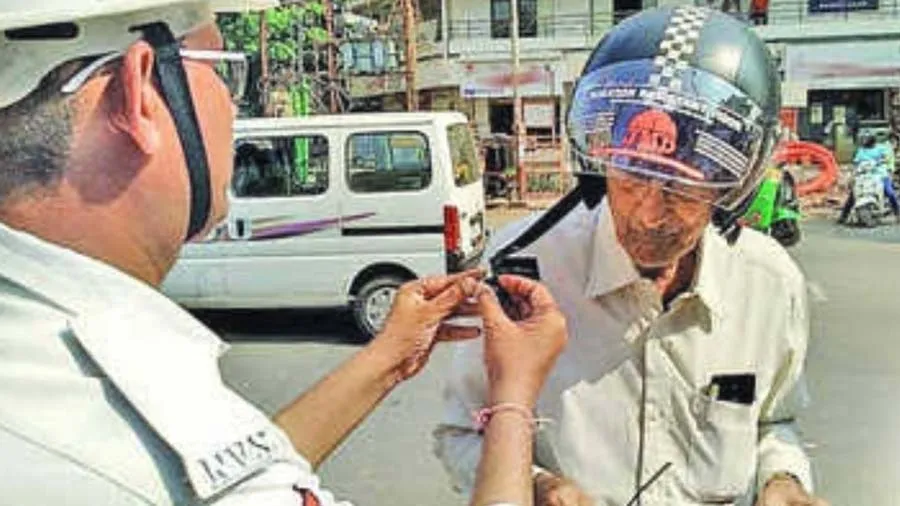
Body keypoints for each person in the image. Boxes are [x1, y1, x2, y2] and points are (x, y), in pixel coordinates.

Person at [0, 1, 568, 504]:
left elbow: (236, 474)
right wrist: (514, 393)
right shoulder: (118, 424)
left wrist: (389, 358)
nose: (234, 107)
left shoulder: (44, 363)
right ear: (139, 92)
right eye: (224, 72)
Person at [435, 6, 829, 506]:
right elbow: (462, 432)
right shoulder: (524, 266)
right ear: (600, 166)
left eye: (681, 191)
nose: (647, 214)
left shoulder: (769, 281)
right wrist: (539, 486)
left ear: (733, 189)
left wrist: (783, 480)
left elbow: (775, 420)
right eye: (630, 178)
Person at [837, 131, 900, 224]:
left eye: (865, 139)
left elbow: (888, 159)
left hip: (880, 175)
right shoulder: (861, 151)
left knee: (889, 192)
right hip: (864, 175)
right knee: (853, 194)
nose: (864, 141)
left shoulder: (881, 148)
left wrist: (886, 165)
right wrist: (852, 176)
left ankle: (897, 213)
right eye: (863, 139)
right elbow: (856, 164)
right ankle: (844, 216)